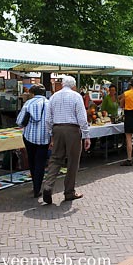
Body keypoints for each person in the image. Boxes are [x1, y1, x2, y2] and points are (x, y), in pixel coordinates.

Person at [43, 75, 90, 204]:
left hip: (57, 128)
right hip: (72, 130)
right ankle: (69, 191)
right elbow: (82, 118)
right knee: (73, 161)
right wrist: (86, 135)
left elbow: (48, 119)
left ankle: (48, 186)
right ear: (73, 85)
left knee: (55, 159)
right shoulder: (76, 96)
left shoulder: (53, 97)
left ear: (62, 84)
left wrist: (51, 134)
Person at [16, 84, 50, 198]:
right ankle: (37, 187)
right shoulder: (49, 103)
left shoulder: (28, 103)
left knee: (32, 161)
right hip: (44, 138)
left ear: (33, 93)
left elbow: (20, 121)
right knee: (41, 163)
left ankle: (34, 185)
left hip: (29, 137)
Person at [118, 77, 133, 166]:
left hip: (128, 115)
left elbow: (121, 104)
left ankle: (129, 159)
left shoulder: (126, 93)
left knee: (128, 138)